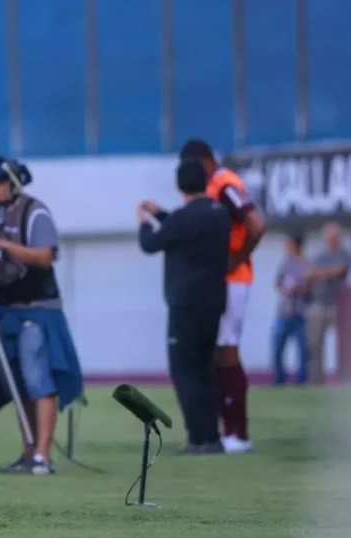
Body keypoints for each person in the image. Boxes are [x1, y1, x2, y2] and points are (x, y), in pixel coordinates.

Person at [0, 156, 83, 475]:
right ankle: (27, 452)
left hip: (37, 309)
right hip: (5, 310)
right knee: (20, 385)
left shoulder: (35, 211)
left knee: (39, 381)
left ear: (14, 183)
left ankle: (43, 456)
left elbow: (46, 256)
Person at [137, 159, 231, 454]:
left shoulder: (182, 218)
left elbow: (152, 243)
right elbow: (183, 226)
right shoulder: (220, 214)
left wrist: (143, 221)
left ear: (180, 186)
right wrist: (161, 213)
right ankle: (212, 437)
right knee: (205, 370)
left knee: (185, 373)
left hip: (185, 306)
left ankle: (197, 438)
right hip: (214, 303)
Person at [179, 138, 265, 455]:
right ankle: (227, 429)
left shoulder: (224, 184)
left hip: (233, 279)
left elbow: (256, 223)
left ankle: (237, 433)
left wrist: (237, 258)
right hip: (222, 280)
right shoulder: (215, 184)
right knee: (219, 351)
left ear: (205, 162)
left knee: (227, 350)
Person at [304, 221, 351, 385]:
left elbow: (341, 270)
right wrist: (328, 272)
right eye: (328, 235)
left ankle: (346, 377)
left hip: (338, 305)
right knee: (315, 344)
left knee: (345, 344)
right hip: (318, 304)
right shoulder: (319, 256)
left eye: (334, 235)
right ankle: (316, 380)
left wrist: (320, 273)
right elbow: (309, 274)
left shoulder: (345, 254)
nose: (331, 238)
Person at [271, 233, 311, 385]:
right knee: (277, 349)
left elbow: (309, 288)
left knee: (302, 351)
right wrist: (285, 288)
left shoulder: (307, 264)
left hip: (300, 313)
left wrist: (298, 288)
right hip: (283, 313)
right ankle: (279, 379)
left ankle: (301, 380)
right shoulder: (285, 264)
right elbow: (278, 284)